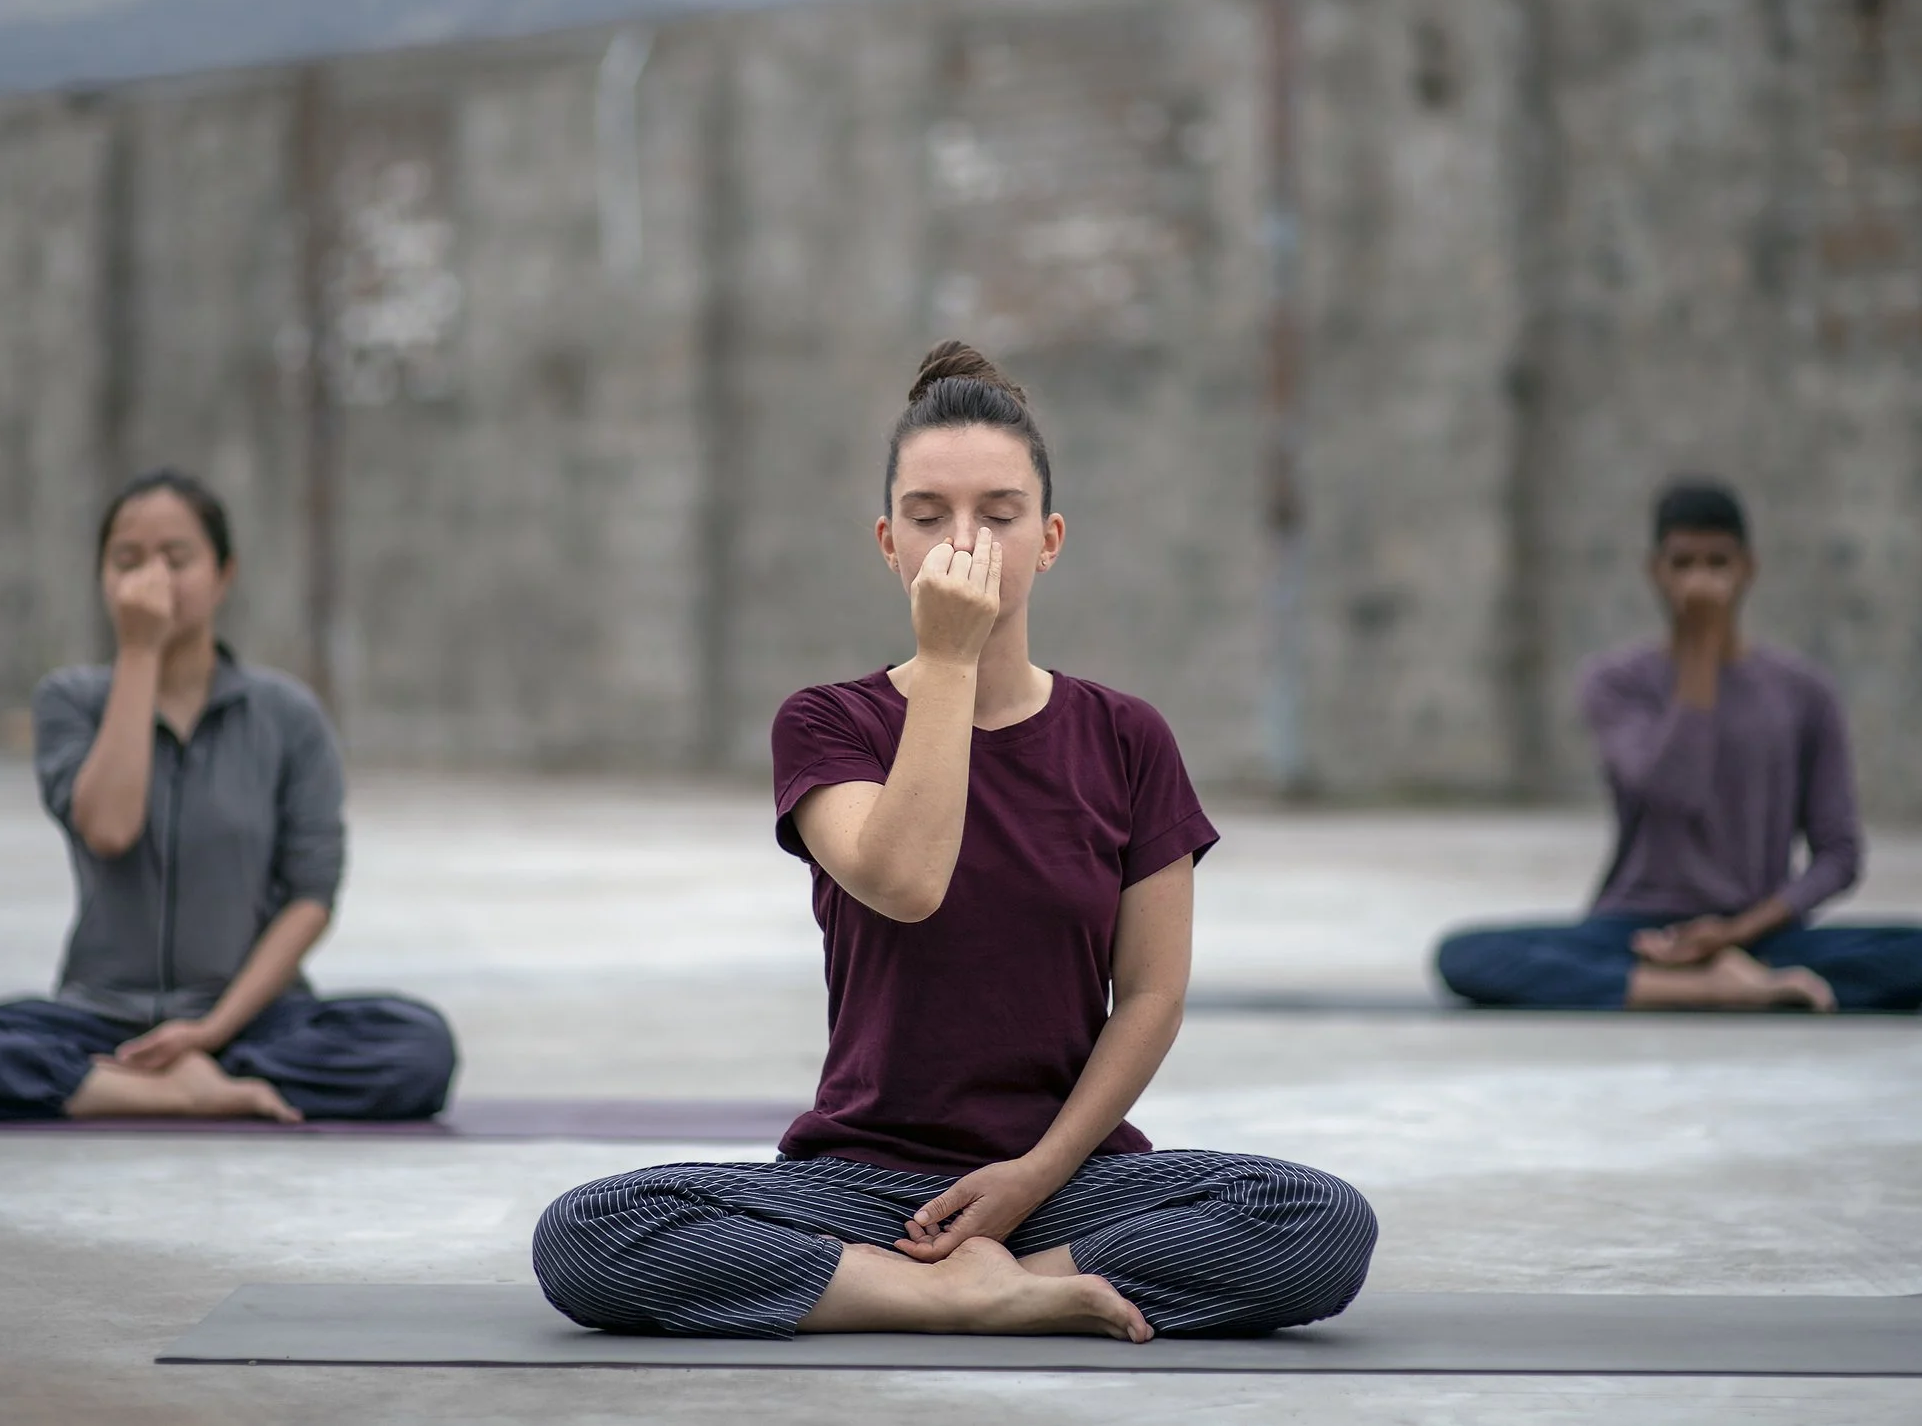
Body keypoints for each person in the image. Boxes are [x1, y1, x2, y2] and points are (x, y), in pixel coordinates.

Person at [532, 343, 1377, 1342]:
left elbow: (1149, 993)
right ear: (887, 541)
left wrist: (1034, 1178)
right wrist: (945, 660)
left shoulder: (1126, 735)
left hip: (1066, 1177)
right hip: (861, 1184)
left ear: (1050, 538)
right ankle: (971, 1294)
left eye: (998, 514)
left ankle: (993, 1277)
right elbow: (903, 878)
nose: (961, 541)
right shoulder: (826, 722)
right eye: (929, 516)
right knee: (588, 1231)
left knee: (1319, 1222)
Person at [0, 469, 456, 1123]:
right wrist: (139, 653)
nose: (154, 577)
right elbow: (109, 828)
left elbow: (311, 896)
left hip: (248, 1020)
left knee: (419, 1046)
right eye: (128, 560)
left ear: (224, 573)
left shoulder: (287, 715)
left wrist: (211, 1029)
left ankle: (152, 1079)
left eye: (177, 558)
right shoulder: (71, 701)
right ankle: (169, 1091)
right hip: (99, 1021)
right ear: (104, 580)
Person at [1434, 480, 1922, 1014]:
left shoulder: (1802, 691)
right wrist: (1698, 649)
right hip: (1634, 931)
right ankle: (1718, 990)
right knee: (1466, 957)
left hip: (1756, 929)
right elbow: (1674, 792)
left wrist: (1737, 931)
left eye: (1718, 564)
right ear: (1656, 572)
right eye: (1683, 564)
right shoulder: (1615, 683)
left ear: (1748, 569)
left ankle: (1706, 981)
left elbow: (1839, 854)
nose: (1700, 582)